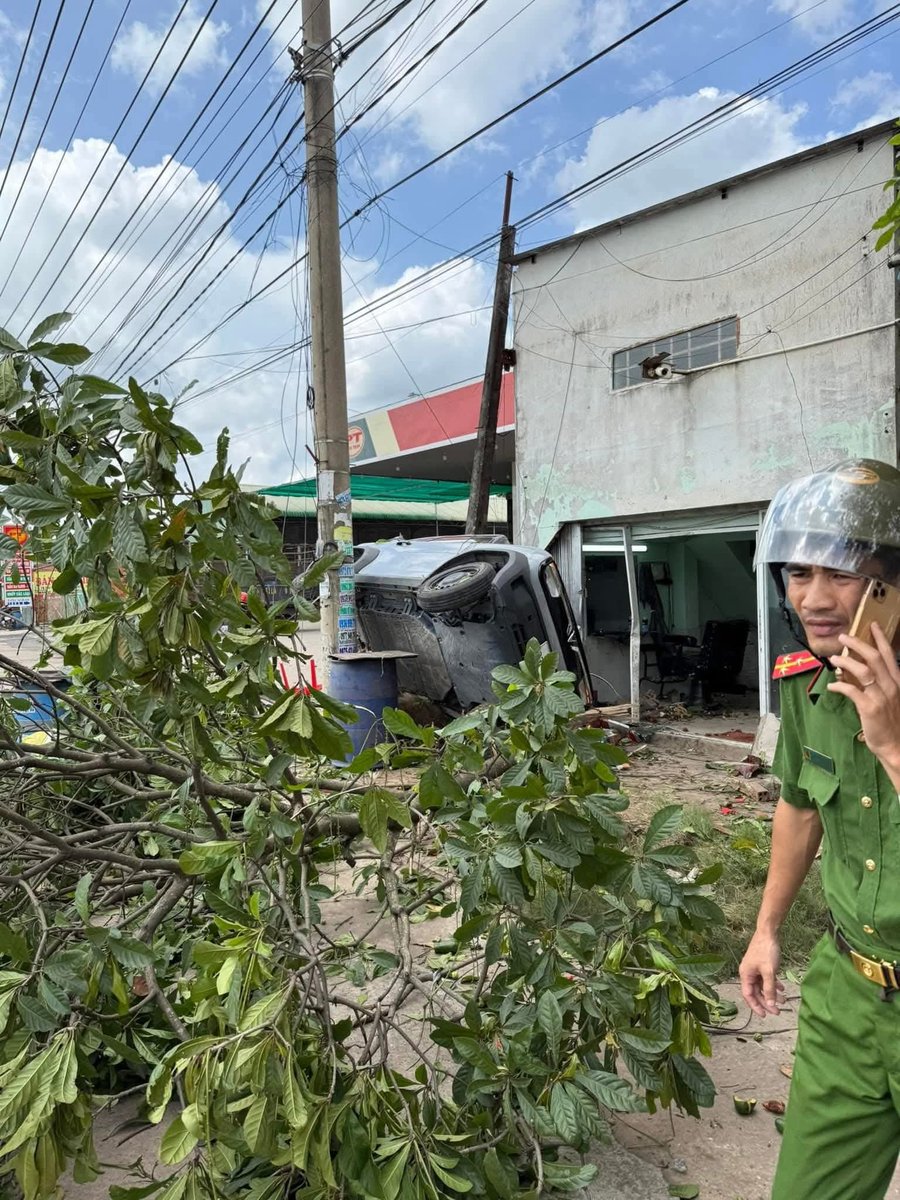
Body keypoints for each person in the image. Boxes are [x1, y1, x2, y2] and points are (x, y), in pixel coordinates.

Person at [741, 457, 900, 1200]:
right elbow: (802, 805)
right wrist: (767, 930)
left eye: (840, 573)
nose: (813, 598)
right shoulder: (806, 679)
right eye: (799, 573)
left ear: (889, 585)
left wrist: (891, 743)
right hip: (847, 994)